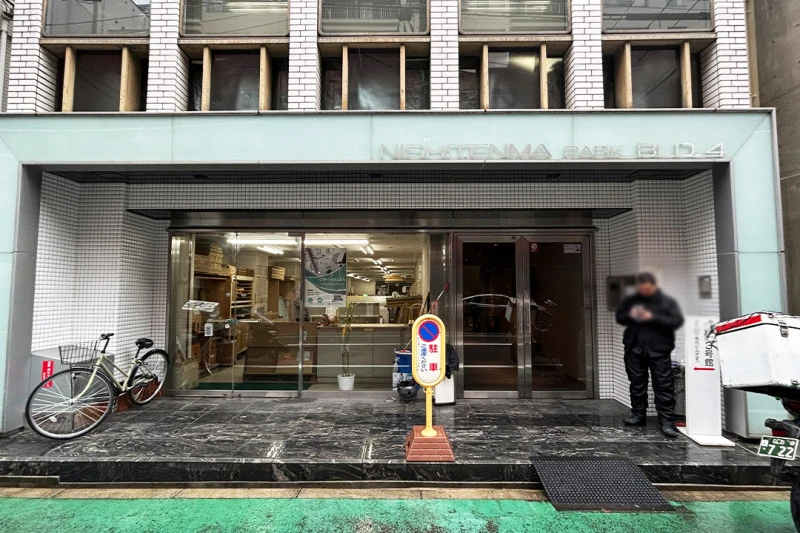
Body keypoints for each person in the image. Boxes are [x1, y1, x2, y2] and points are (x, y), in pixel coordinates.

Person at [615, 272, 684, 438]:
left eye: (647, 288)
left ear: (653, 286)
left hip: (659, 349)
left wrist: (652, 317)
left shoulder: (666, 302)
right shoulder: (631, 301)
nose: (644, 291)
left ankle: (666, 421)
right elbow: (620, 317)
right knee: (637, 383)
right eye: (641, 288)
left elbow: (676, 321)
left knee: (663, 385)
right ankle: (638, 414)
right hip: (634, 348)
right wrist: (631, 315)